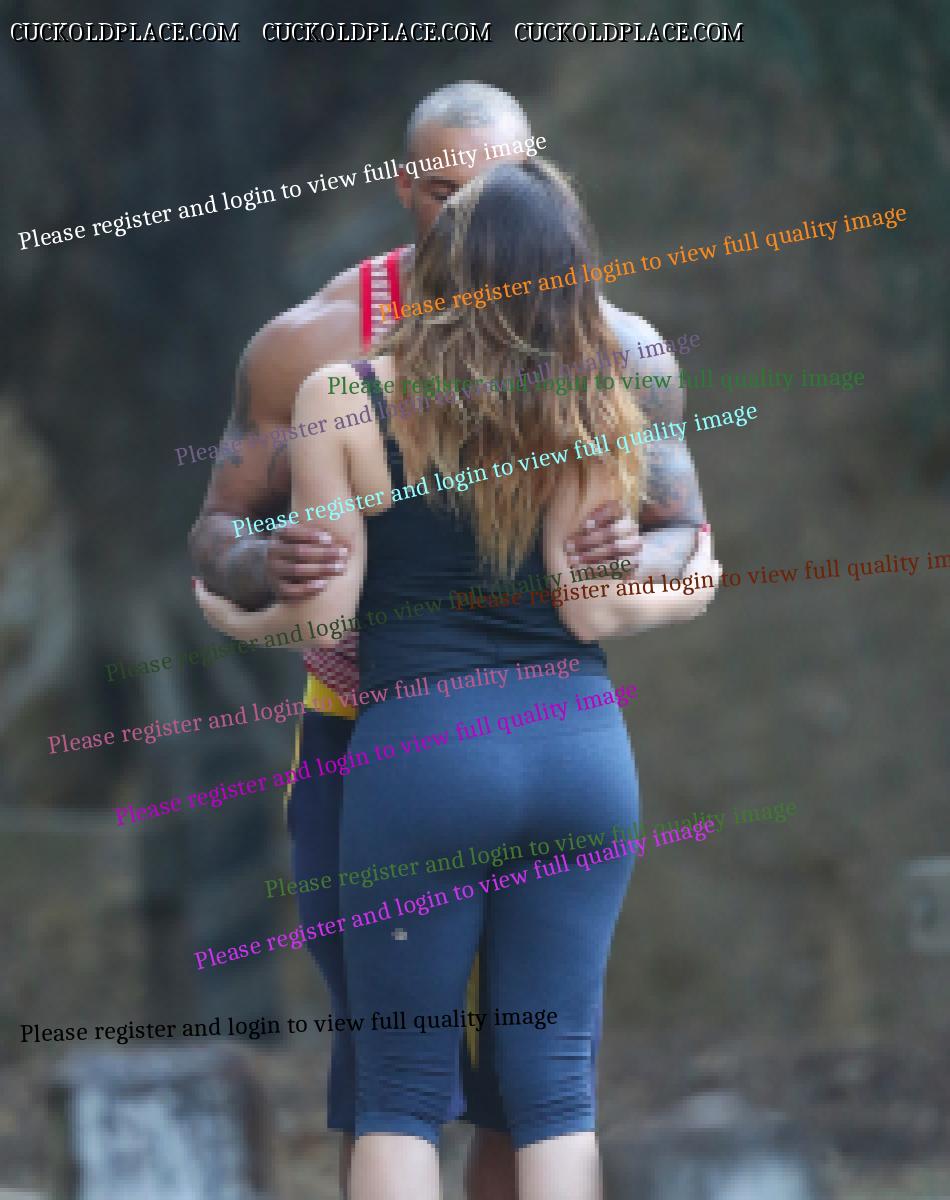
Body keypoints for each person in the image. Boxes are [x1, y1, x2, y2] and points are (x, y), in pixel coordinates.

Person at [190, 82, 707, 1200]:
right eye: (445, 184)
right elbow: (614, 591)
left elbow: (327, 615)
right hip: (572, 746)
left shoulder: (351, 392)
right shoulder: (589, 384)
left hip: (417, 749)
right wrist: (670, 579)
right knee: (554, 1086)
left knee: (400, 1087)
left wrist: (236, 608)